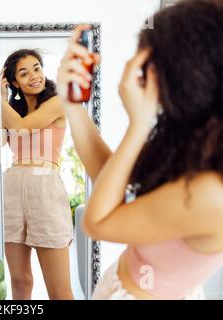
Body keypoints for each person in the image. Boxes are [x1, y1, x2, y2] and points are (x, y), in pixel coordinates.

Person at [56, 0, 223, 300]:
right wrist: (73, 106)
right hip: (122, 284)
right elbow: (115, 183)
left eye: (148, 60)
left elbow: (99, 222)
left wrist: (139, 124)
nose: (137, 70)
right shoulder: (197, 137)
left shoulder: (213, 193)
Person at [0, 49, 75, 300]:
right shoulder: (13, 110)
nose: (34, 76)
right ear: (14, 83)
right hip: (12, 189)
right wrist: (1, 97)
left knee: (60, 292)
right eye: (24, 73)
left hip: (45, 189)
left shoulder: (57, 102)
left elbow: (21, 128)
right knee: (20, 282)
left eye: (37, 68)